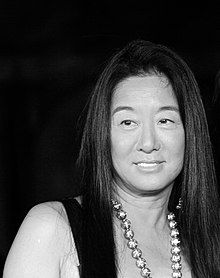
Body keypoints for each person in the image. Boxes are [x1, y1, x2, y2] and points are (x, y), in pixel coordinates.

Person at [3, 40, 220, 278]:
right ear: (103, 135)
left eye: (164, 121)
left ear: (191, 132)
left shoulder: (207, 241)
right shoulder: (52, 228)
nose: (148, 143)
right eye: (128, 123)